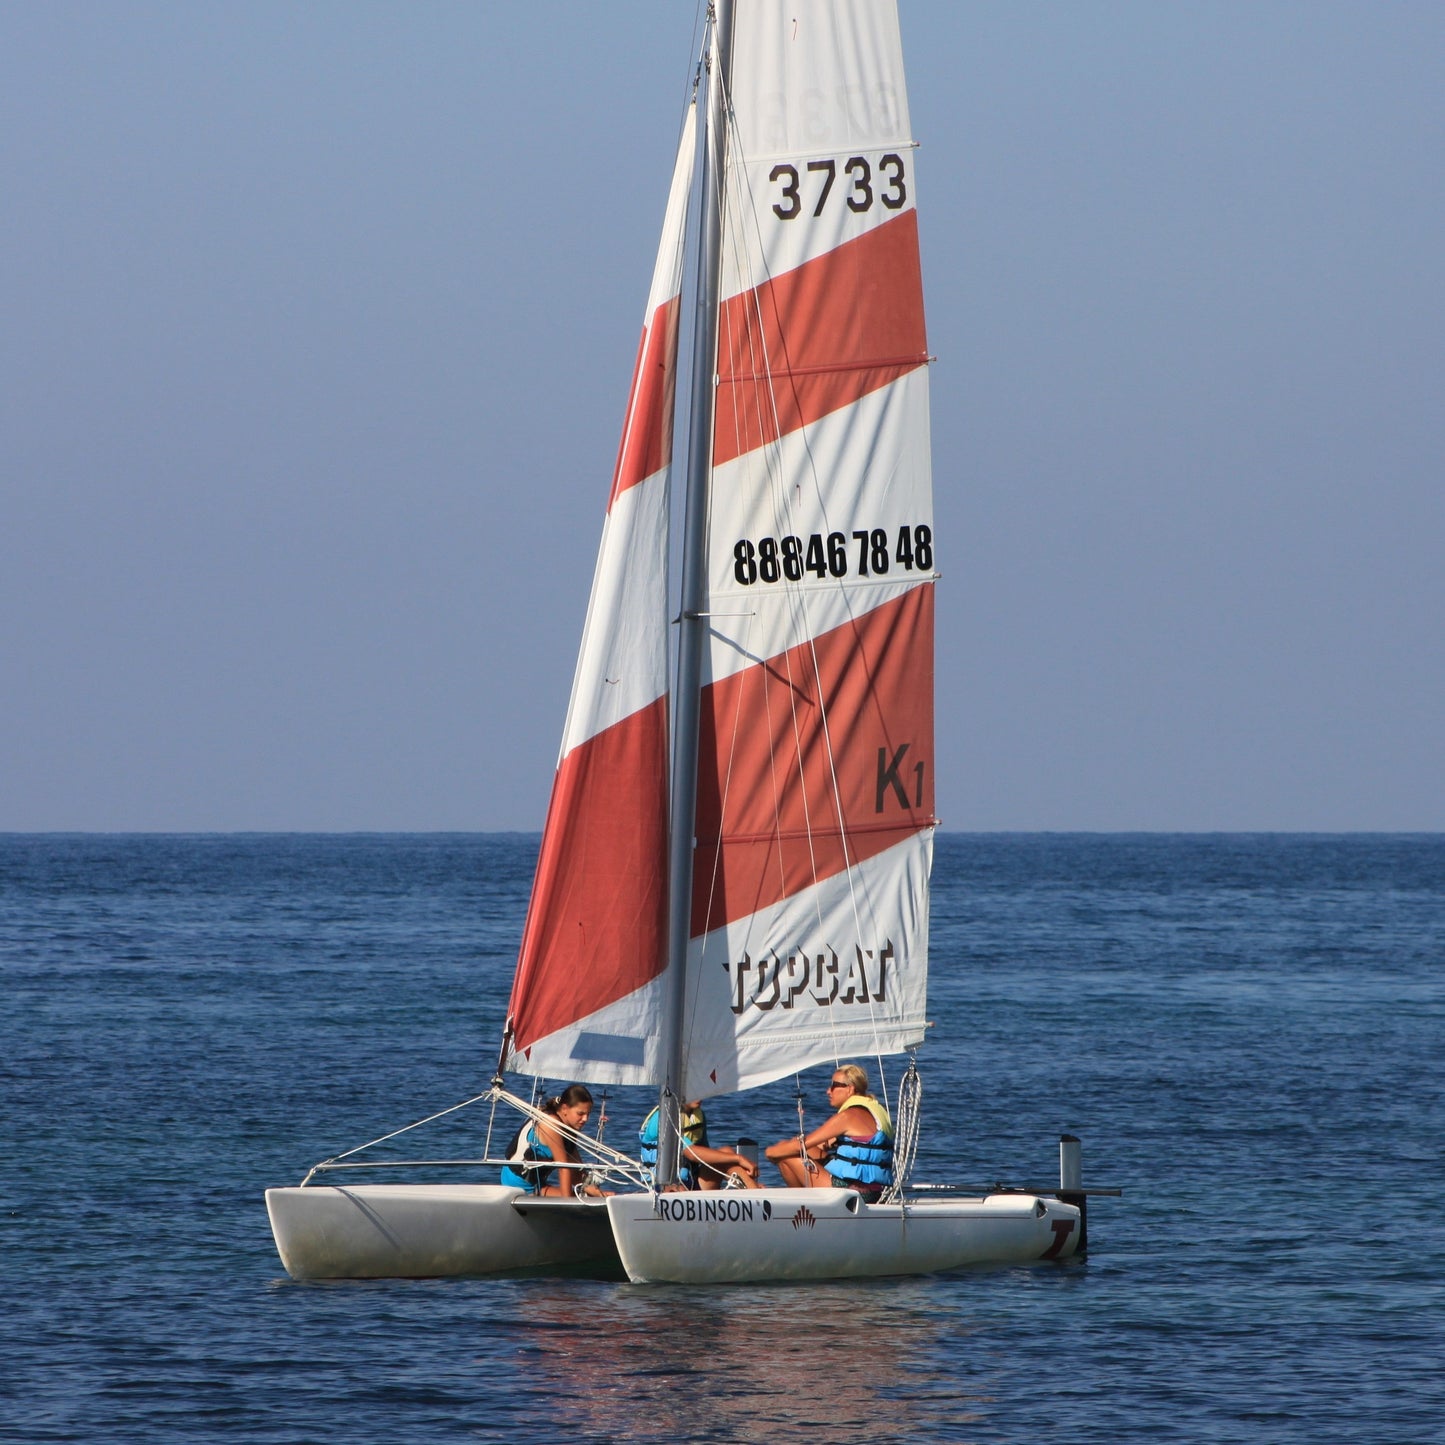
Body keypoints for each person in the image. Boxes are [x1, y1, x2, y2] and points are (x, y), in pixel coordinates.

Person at [764, 1064, 894, 1201]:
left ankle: (801, 1206)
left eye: (834, 1085)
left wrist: (770, 1152)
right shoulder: (875, 1111)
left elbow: (800, 1145)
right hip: (875, 1191)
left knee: (786, 1157)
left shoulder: (847, 1116)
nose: (828, 1091)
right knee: (799, 1149)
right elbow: (814, 1147)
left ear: (850, 1089)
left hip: (851, 1191)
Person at [500, 1084, 608, 1197]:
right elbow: (564, 1168)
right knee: (574, 1197)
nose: (585, 1119)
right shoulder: (551, 1125)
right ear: (565, 1109)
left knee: (590, 1197)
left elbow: (577, 1171)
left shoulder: (568, 1127)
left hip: (537, 1183)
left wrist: (598, 1193)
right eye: (580, 1114)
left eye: (588, 1114)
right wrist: (569, 1203)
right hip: (518, 1184)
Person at [639, 1100, 760, 1190]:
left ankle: (754, 1191)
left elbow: (707, 1155)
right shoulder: (665, 1117)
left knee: (726, 1152)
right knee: (678, 1188)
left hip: (691, 1181)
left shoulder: (698, 1115)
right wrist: (739, 1158)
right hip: (662, 1186)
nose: (700, 1097)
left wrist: (738, 1167)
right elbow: (691, 1153)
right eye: (694, 1093)